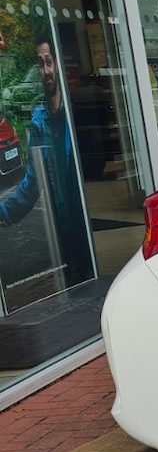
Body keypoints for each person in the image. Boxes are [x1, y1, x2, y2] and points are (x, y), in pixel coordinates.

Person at [0, 39, 93, 285]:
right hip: (62, 227)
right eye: (41, 64)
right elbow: (34, 177)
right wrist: (7, 212)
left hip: (86, 221)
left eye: (49, 62)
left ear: (59, 66)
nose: (46, 70)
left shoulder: (76, 111)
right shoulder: (40, 118)